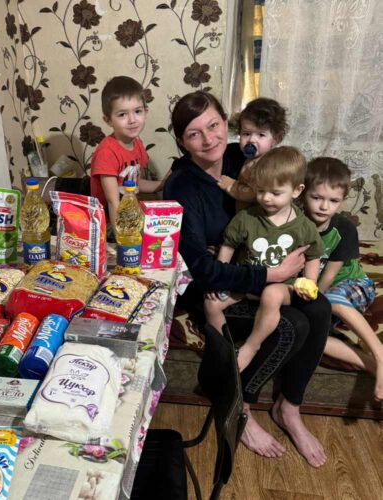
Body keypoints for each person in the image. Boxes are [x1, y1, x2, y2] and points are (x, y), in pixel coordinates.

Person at [163, 90, 330, 468]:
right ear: (180, 141)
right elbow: (201, 269)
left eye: (215, 125)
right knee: (293, 327)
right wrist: (271, 274)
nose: (208, 139)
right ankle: (242, 407)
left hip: (259, 270)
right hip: (215, 285)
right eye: (194, 133)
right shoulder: (182, 188)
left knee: (318, 306)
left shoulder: (245, 157)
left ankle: (290, 407)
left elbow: (285, 188)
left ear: (229, 124)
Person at [205, 146, 323, 372]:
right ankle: (228, 353)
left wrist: (309, 281)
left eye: (276, 193)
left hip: (282, 287)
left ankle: (250, 347)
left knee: (270, 294)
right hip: (248, 282)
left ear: (296, 191)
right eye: (260, 191)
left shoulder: (304, 226)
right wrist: (219, 276)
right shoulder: (246, 218)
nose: (266, 198)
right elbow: (228, 245)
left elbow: (313, 255)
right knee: (211, 302)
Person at [303, 157, 382, 400]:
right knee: (311, 336)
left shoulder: (345, 229)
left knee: (331, 300)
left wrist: (313, 300)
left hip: (350, 285)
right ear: (302, 192)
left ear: (343, 200)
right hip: (312, 288)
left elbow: (329, 275)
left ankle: (380, 353)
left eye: (333, 200)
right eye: (317, 198)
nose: (324, 206)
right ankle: (371, 365)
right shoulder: (293, 222)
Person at [90, 76, 167, 234]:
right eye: (122, 115)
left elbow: (133, 183)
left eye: (137, 111)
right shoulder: (107, 152)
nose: (132, 120)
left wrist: (161, 184)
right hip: (106, 220)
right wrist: (124, 240)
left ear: (145, 112)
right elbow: (113, 201)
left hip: (127, 213)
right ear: (108, 120)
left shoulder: (137, 144)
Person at [217, 97, 289, 210]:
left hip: (257, 216)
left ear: (275, 139)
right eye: (246, 133)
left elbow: (255, 193)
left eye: (261, 135)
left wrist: (231, 185)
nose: (251, 140)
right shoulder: (250, 158)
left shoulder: (268, 164)